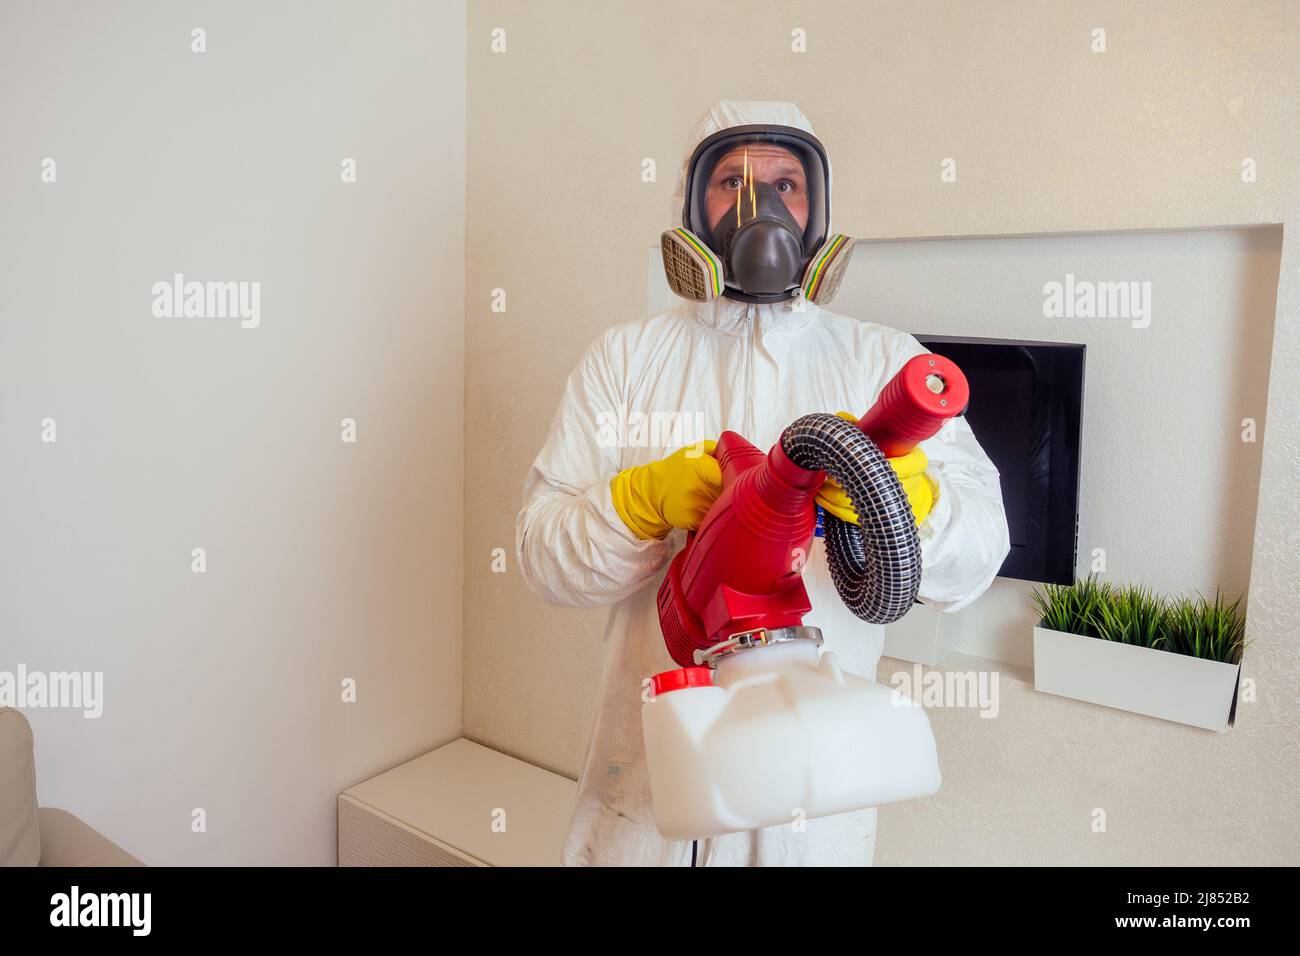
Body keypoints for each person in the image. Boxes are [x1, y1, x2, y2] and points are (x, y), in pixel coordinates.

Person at [516, 101, 1010, 866]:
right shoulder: (624, 360)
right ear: (691, 206)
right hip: (646, 791)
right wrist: (634, 507)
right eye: (732, 182)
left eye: (786, 182)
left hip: (813, 806)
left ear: (816, 213)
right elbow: (543, 558)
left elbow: (981, 550)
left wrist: (909, 506)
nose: (762, 206)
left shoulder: (879, 360)